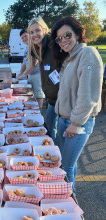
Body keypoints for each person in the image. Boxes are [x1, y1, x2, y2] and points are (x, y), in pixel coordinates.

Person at [50, 16, 103, 191]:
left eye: (67, 35)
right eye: (60, 38)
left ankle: (69, 206)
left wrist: (75, 123)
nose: (63, 40)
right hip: (65, 120)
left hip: (77, 123)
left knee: (66, 167)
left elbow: (87, 95)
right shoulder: (69, 58)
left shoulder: (88, 54)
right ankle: (71, 199)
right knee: (70, 164)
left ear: (78, 34)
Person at [27, 17, 59, 141]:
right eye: (31, 32)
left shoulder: (53, 46)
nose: (34, 35)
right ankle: (54, 150)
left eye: (37, 30)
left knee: (57, 132)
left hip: (62, 99)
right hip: (51, 99)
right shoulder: (39, 49)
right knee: (50, 126)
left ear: (44, 30)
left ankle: (56, 153)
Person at [17, 29, 45, 108]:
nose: (24, 39)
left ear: (30, 35)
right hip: (30, 75)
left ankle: (39, 114)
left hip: (37, 74)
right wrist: (20, 73)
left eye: (25, 36)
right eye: (22, 38)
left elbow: (34, 62)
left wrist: (24, 74)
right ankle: (34, 112)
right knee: (34, 95)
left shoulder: (34, 46)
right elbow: (24, 63)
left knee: (39, 95)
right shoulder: (26, 48)